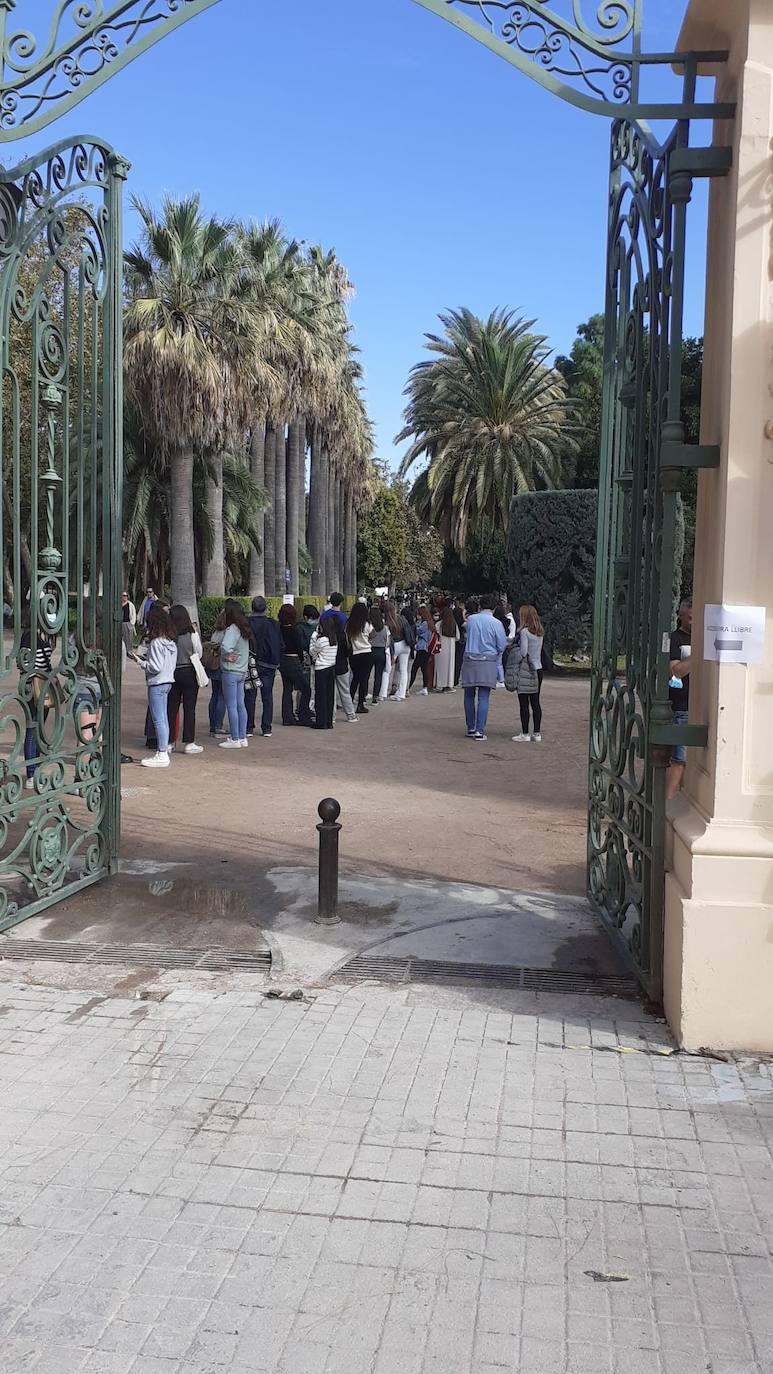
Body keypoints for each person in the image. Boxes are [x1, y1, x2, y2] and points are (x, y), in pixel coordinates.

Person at [131, 605, 177, 769]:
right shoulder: (169, 641)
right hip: (168, 681)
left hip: (157, 682)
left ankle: (162, 752)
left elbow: (155, 666)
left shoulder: (157, 642)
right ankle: (164, 749)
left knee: (158, 719)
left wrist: (140, 661)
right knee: (163, 718)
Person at [460, 594, 507, 740]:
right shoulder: (496, 623)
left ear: (480, 605)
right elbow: (502, 644)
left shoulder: (471, 620)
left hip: (470, 657)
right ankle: (480, 730)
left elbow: (466, 634)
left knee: (468, 695)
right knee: (484, 697)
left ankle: (471, 727)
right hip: (487, 660)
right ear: (494, 607)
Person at [20, 611, 55, 790]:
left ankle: (35, 770)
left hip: (39, 685)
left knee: (38, 728)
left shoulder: (43, 636)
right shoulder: (31, 637)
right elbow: (26, 663)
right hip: (34, 686)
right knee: (33, 727)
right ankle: (31, 773)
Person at [167, 604, 204, 754]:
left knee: (171, 708)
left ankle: (170, 741)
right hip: (189, 671)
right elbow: (199, 652)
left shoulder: (169, 634)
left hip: (173, 672)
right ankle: (189, 742)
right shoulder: (192, 633)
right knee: (190, 708)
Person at [666, 598, 692, 801]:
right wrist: (699, 653)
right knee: (679, 759)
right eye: (690, 617)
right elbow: (676, 672)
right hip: (682, 704)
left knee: (696, 761)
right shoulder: (674, 639)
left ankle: (682, 802)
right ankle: (666, 804)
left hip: (705, 705)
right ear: (681, 616)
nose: (693, 621)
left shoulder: (707, 637)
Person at [245, 596, 281, 739]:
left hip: (252, 663)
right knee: (267, 697)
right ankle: (266, 728)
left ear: (252, 607)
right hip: (268, 665)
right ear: (265, 608)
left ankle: (248, 727)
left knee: (250, 696)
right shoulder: (273, 624)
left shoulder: (247, 623)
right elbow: (279, 643)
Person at [219, 599, 252, 749]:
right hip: (242, 671)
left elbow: (225, 646)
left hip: (230, 671)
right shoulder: (244, 629)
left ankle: (234, 738)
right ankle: (242, 737)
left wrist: (227, 656)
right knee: (240, 704)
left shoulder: (232, 629)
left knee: (231, 705)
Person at [510, 605, 544, 742]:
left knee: (523, 702)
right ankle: (537, 733)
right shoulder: (540, 632)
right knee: (535, 701)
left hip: (525, 669)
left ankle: (525, 733)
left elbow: (523, 652)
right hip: (538, 667)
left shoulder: (524, 632)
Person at [278, 604, 313, 726]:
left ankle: (287, 717)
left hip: (282, 660)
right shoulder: (294, 630)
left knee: (287, 689)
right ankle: (303, 714)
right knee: (306, 689)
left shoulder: (279, 629)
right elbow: (299, 648)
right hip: (293, 660)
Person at [324, 611, 357, 723]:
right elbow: (349, 651)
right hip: (342, 666)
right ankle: (351, 714)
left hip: (330, 666)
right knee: (345, 691)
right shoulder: (344, 636)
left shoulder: (327, 636)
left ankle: (332, 717)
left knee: (331, 693)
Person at [309, 614, 339, 729]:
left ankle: (320, 721)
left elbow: (312, 652)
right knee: (330, 695)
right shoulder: (334, 639)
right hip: (331, 667)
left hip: (321, 668)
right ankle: (329, 720)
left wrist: (314, 637)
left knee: (320, 695)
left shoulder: (321, 640)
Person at [346, 600, 374, 713]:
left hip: (354, 654)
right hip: (366, 653)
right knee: (364, 679)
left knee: (355, 678)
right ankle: (360, 704)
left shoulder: (349, 624)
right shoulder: (366, 624)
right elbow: (372, 635)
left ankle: (349, 701)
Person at [384, 603, 412, 701]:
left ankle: (382, 692)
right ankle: (402, 693)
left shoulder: (387, 622)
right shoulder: (402, 618)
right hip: (405, 645)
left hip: (395, 645)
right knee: (404, 670)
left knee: (387, 669)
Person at [207, 608, 227, 737]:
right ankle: (218, 725)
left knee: (215, 694)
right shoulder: (227, 632)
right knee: (221, 696)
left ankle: (213, 725)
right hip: (222, 665)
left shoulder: (215, 632)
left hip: (212, 665)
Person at [410, 605, 434, 695]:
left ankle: (408, 687)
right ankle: (425, 688)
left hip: (422, 647)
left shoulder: (424, 624)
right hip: (427, 648)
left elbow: (417, 631)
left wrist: (417, 622)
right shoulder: (430, 622)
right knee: (424, 668)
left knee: (414, 668)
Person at [369, 606, 389, 705]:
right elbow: (387, 641)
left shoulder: (369, 627)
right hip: (381, 652)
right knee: (378, 675)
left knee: (366, 675)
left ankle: (363, 695)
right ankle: (375, 697)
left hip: (370, 651)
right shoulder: (384, 628)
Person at [436, 606, 459, 692]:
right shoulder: (454, 624)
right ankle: (449, 685)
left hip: (441, 648)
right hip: (451, 648)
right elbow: (458, 637)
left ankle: (440, 684)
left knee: (441, 667)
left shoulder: (439, 624)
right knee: (450, 667)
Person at [453, 598, 466, 686]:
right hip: (461, 642)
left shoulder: (452, 622)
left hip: (453, 642)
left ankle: (452, 678)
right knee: (458, 661)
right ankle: (456, 679)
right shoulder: (463, 623)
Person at [120, 591, 136, 660]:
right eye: (123, 595)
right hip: (120, 623)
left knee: (129, 638)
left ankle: (129, 651)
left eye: (126, 596)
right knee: (121, 638)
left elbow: (133, 614)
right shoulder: (119, 604)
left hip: (128, 623)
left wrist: (132, 623)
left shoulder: (130, 604)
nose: (124, 597)